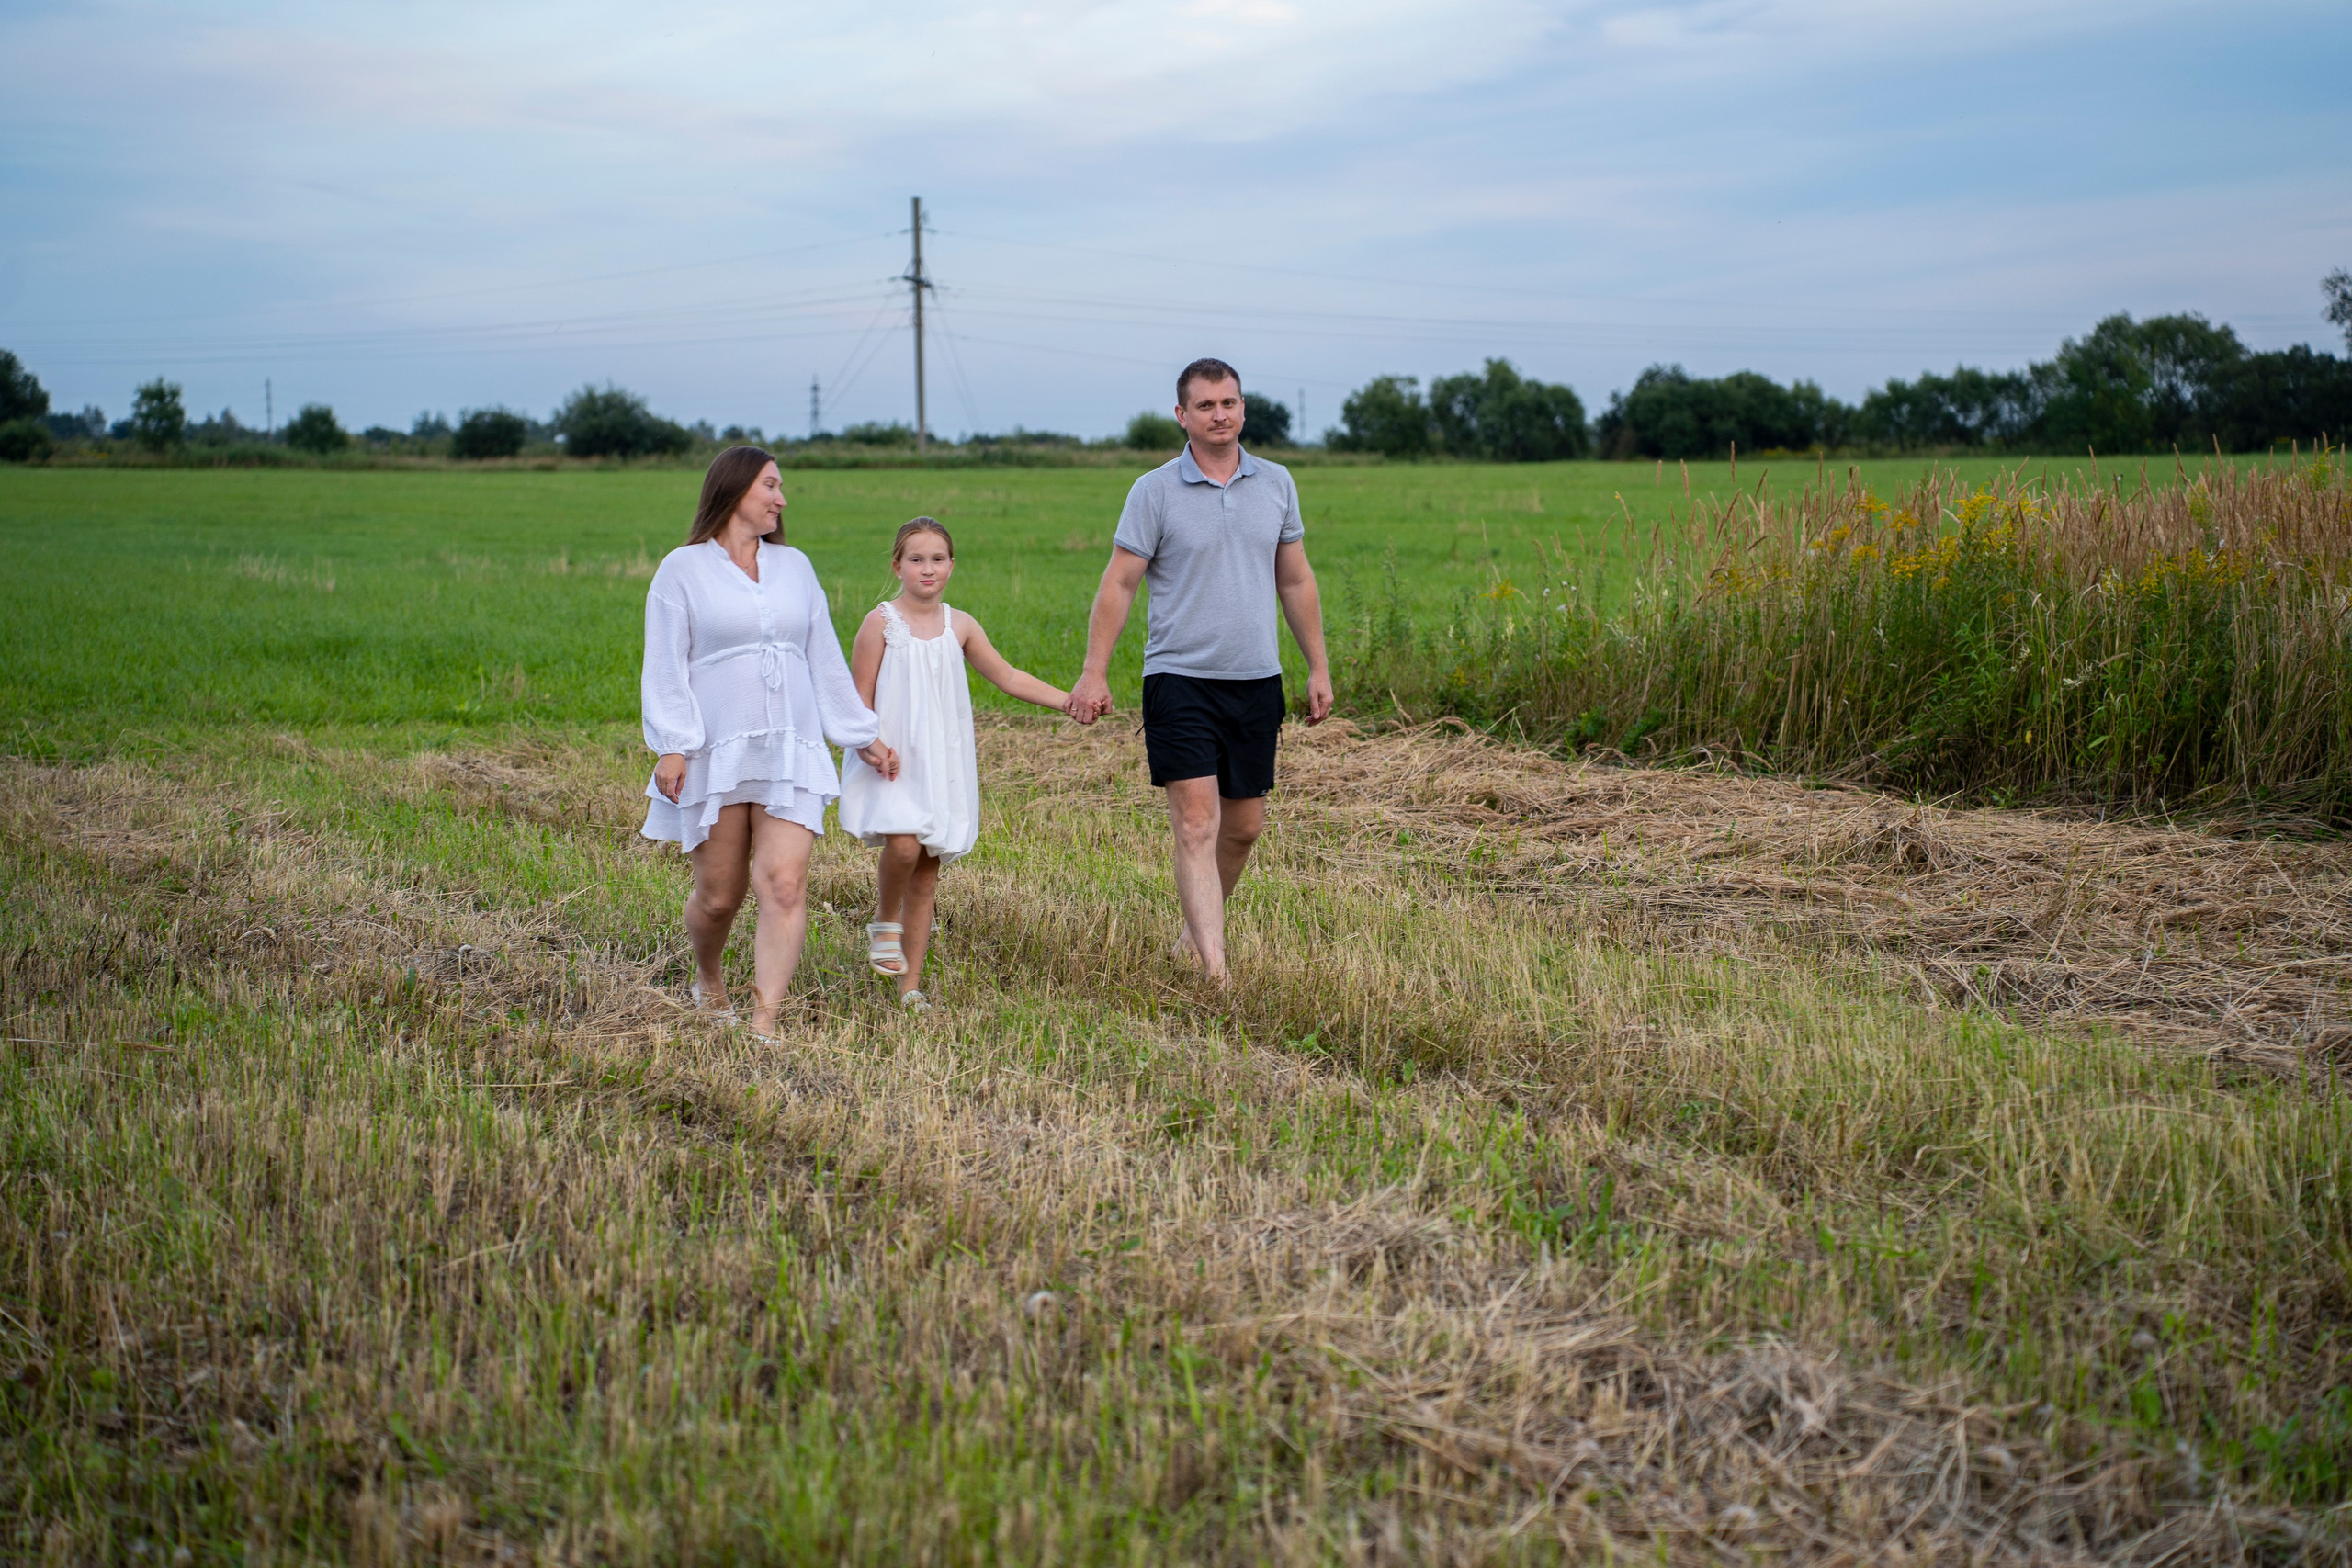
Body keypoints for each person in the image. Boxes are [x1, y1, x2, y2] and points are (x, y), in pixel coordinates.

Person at [1066, 358, 1332, 984]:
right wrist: (1094, 671)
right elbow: (1119, 583)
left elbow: (1295, 579)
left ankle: (1192, 939)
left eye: (1229, 403)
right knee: (1195, 822)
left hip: (1256, 680)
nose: (1220, 415)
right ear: (1182, 415)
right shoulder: (1154, 491)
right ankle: (1217, 973)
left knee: (1243, 829)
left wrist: (1317, 665)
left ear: (1243, 409)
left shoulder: (1277, 483)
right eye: (1206, 405)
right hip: (1179, 679)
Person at [640, 446, 898, 1041]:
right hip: (717, 752)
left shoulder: (794, 567)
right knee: (719, 896)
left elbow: (822, 655)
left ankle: (764, 1023)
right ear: (734, 489)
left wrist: (859, 733)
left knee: (783, 883)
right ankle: (709, 980)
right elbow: (665, 664)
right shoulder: (682, 569)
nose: (782, 499)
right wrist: (673, 743)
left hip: (790, 749)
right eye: (771, 486)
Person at [840, 517, 1073, 1010]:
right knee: (904, 846)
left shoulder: (959, 625)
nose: (928, 568)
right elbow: (858, 699)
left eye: (938, 559)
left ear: (951, 565)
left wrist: (1067, 701)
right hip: (892, 757)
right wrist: (868, 746)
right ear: (897, 566)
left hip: (940, 757)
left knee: (927, 872)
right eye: (916, 559)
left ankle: (910, 987)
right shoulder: (880, 622)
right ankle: (885, 921)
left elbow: (1008, 676)